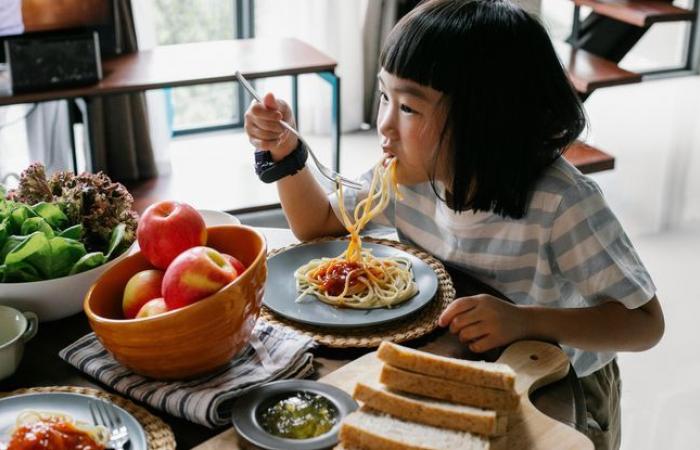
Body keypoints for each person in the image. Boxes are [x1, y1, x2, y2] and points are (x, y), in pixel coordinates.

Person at [243, 1, 664, 448]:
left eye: (409, 108)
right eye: (386, 96)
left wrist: (525, 321)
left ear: (484, 121)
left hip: (559, 381)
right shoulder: (408, 174)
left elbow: (644, 323)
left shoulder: (561, 203)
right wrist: (284, 155)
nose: (384, 124)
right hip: (461, 361)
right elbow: (319, 225)